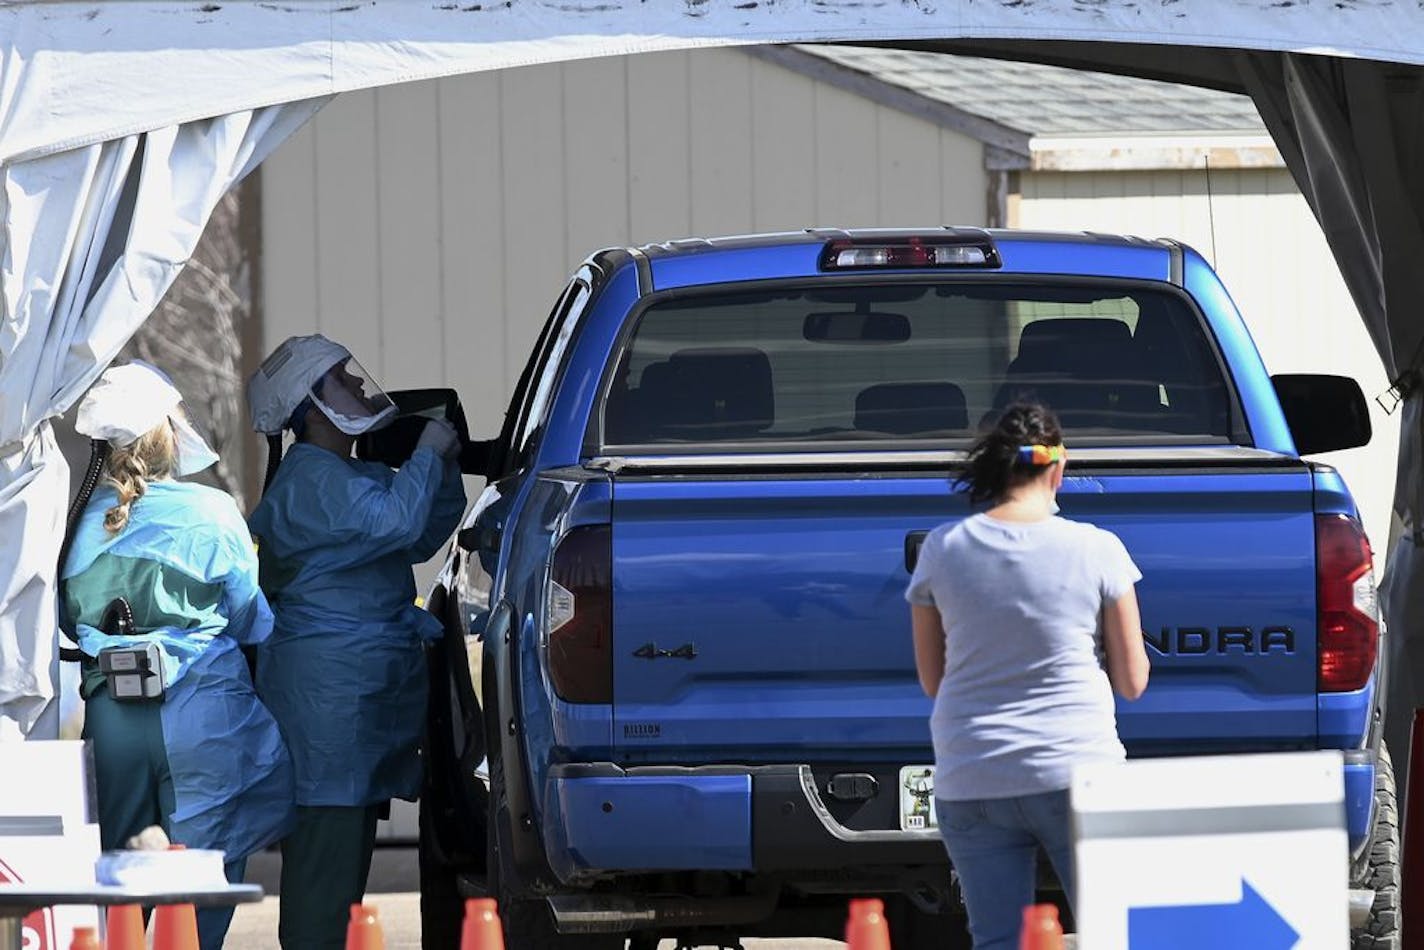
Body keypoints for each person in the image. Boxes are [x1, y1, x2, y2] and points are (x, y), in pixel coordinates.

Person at [60, 361, 294, 950]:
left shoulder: (72, 528)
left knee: (121, 879)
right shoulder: (211, 513)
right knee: (200, 877)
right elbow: (250, 618)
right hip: (200, 712)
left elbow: (66, 619)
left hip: (112, 717)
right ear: (168, 432)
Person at [244, 334, 466, 949]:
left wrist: (439, 465)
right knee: (326, 874)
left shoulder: (346, 472)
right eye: (344, 379)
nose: (361, 387)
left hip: (352, 705)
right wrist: (424, 454)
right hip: (329, 709)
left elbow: (416, 535)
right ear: (312, 408)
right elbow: (396, 520)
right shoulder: (311, 479)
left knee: (343, 873)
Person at [905, 401, 1150, 950]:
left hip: (972, 776)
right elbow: (1133, 681)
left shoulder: (943, 549)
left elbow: (932, 681)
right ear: (1057, 468)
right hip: (1077, 773)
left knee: (998, 942)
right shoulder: (1097, 549)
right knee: (1117, 935)